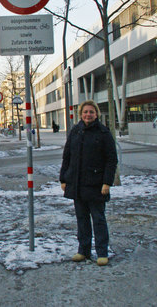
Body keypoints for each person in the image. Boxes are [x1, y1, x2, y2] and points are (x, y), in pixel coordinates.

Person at [60, 100, 117, 266]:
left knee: (98, 219)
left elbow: (111, 160)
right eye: (85, 112)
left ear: (96, 114)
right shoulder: (76, 131)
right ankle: (83, 251)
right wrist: (63, 178)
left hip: (96, 184)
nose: (88, 115)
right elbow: (67, 156)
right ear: (81, 114)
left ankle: (102, 252)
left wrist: (107, 182)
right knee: (82, 219)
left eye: (91, 112)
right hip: (78, 184)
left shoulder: (103, 133)